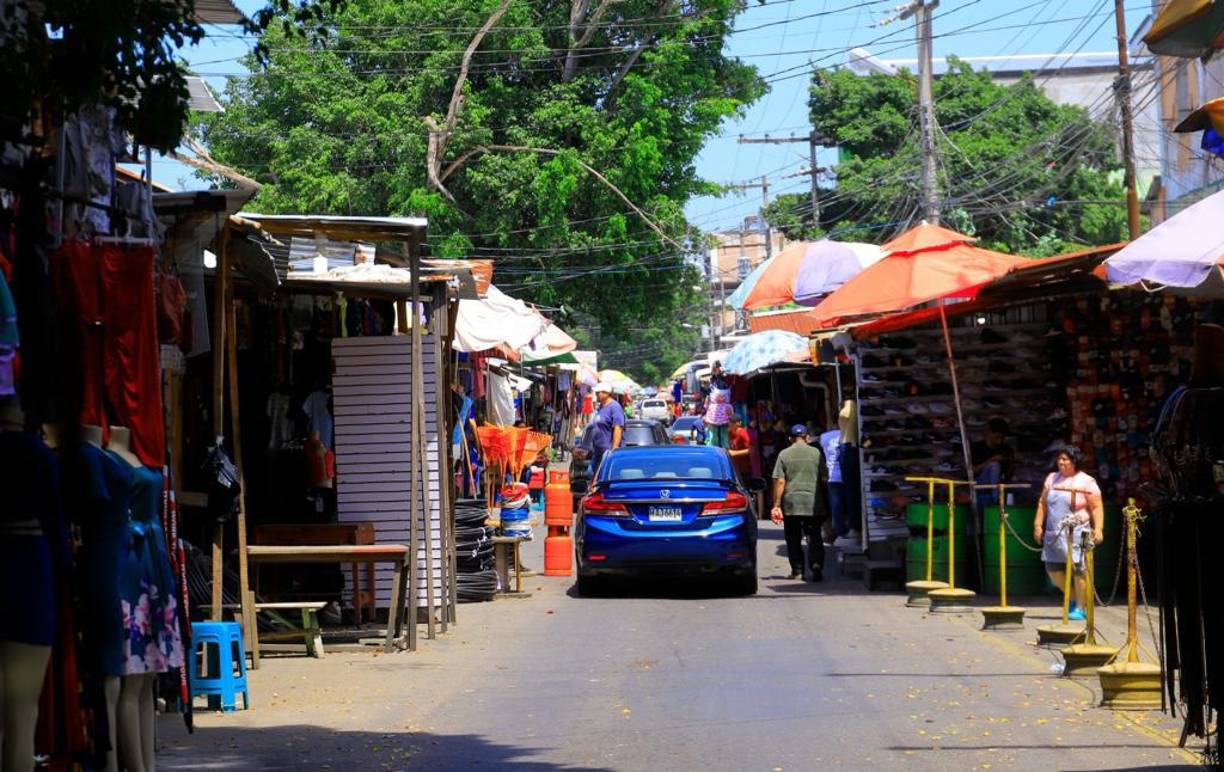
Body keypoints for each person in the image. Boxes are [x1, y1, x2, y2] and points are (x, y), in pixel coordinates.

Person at [1032, 446, 1103, 621]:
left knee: (1079, 569)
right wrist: (1038, 525)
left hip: (1079, 530)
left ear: (1074, 461)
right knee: (1053, 569)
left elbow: (1096, 507)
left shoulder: (1086, 481)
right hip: (1054, 531)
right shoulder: (1052, 479)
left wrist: (1099, 529)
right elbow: (1043, 503)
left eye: (1065, 459)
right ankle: (1072, 597)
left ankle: (1080, 607)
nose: (1061, 463)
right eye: (1059, 459)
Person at [771, 424, 829, 581]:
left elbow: (780, 481)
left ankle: (797, 571)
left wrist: (776, 504)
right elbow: (824, 478)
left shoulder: (784, 454)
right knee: (814, 535)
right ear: (807, 437)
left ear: (790, 438)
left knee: (793, 538)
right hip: (813, 502)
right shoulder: (816, 453)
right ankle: (816, 564)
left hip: (792, 504)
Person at [589, 382, 625, 478]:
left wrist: (613, 450)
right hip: (598, 451)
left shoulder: (615, 407)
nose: (596, 395)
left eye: (597, 393)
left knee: (604, 478)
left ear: (606, 393)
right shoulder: (601, 407)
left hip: (608, 452)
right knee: (591, 474)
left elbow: (618, 428)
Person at [818, 424, 847, 538]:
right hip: (845, 474)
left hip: (831, 475)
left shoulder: (824, 437)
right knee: (848, 502)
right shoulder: (845, 434)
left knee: (835, 504)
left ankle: (838, 530)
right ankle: (845, 528)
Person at [703, 361, 733, 448]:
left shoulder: (725, 381)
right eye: (717, 369)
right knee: (715, 434)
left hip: (722, 411)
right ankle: (716, 451)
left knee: (721, 434)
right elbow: (708, 398)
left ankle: (723, 451)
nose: (719, 371)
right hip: (716, 412)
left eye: (719, 369)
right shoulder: (712, 383)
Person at [727, 415, 752, 483]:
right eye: (729, 422)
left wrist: (735, 453)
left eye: (732, 422)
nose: (730, 424)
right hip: (735, 468)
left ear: (738, 423)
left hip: (745, 469)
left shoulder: (743, 433)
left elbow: (751, 450)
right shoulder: (729, 433)